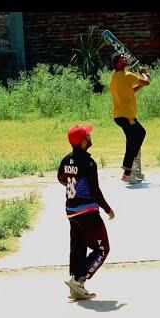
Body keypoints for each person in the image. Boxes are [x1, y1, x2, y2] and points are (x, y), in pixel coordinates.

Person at [57, 124, 115, 300]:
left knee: (78, 248)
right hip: (87, 212)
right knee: (103, 249)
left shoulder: (67, 159)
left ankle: (75, 287)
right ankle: (80, 279)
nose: (90, 137)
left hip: (71, 211)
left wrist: (72, 182)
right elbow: (95, 190)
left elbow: (61, 178)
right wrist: (108, 209)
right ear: (83, 142)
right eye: (88, 136)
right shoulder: (89, 163)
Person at [109, 52, 151, 183]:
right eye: (122, 58)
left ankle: (127, 173)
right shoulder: (127, 75)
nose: (125, 58)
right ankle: (128, 169)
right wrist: (145, 74)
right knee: (141, 133)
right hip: (127, 115)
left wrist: (142, 84)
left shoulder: (115, 77)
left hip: (119, 116)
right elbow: (146, 82)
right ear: (118, 63)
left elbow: (130, 90)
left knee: (131, 140)